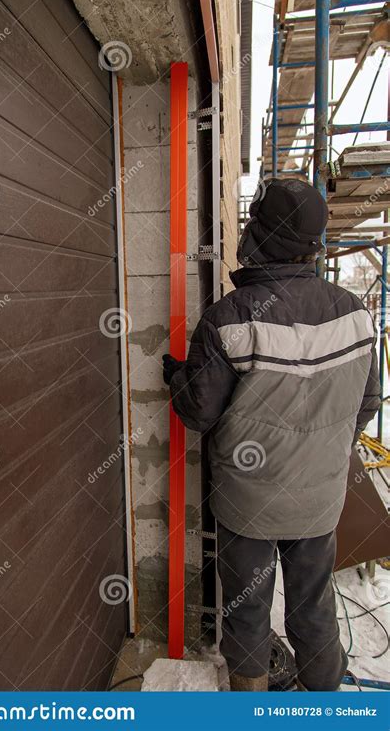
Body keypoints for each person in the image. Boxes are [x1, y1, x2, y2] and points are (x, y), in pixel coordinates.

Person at [162, 178, 381, 692]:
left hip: (248, 506)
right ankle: (323, 706)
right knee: (314, 608)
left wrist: (177, 375)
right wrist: (321, 453)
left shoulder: (229, 319)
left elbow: (197, 412)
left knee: (247, 614)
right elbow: (366, 404)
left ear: (260, 236)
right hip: (320, 501)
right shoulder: (354, 313)